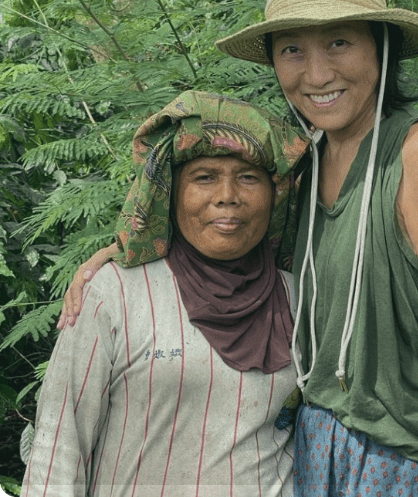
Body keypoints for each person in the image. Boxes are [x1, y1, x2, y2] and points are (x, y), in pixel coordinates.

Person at [57, 0, 418, 496]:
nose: (315, 73)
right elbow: (230, 235)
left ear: (382, 45)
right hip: (312, 447)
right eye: (292, 49)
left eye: (339, 42)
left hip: (401, 458)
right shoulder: (305, 165)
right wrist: (120, 253)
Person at [22, 90, 311, 497]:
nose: (227, 195)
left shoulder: (300, 298)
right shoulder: (115, 293)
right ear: (170, 193)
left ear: (276, 193)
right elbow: (60, 445)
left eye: (248, 177)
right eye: (204, 177)